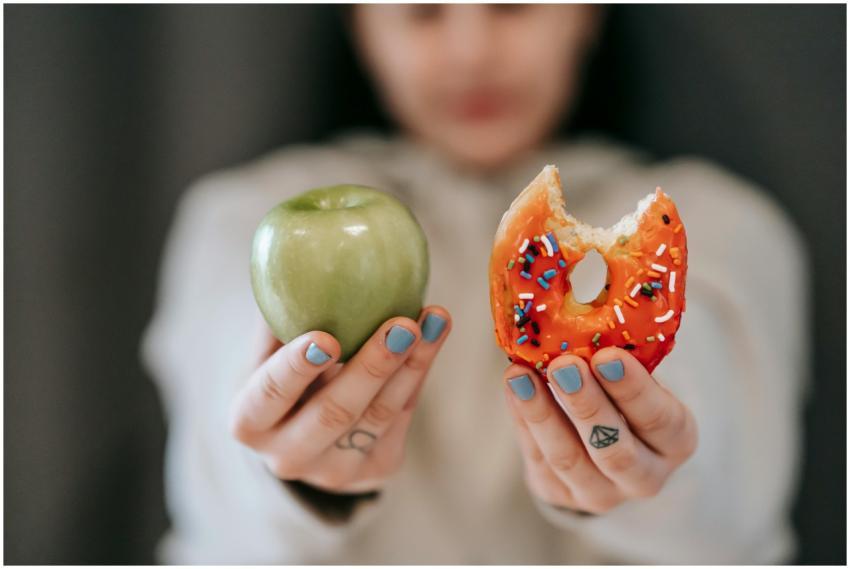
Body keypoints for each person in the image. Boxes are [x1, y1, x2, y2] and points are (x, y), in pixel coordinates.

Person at [141, 4, 808, 564]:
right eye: (423, 11)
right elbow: (215, 476)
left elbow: (729, 472)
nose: (470, 52)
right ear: (360, 26)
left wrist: (654, 470)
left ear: (587, 13)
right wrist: (290, 473)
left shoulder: (725, 222)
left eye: (512, 3)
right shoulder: (236, 217)